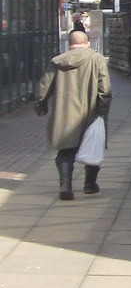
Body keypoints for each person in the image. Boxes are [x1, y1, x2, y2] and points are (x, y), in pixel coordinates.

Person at [35, 30, 111, 200]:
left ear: (70, 45)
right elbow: (104, 89)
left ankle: (65, 186)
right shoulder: (96, 59)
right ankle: (90, 186)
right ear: (88, 43)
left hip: (65, 114)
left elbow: (44, 86)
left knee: (66, 152)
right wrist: (102, 111)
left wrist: (41, 105)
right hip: (91, 113)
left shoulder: (57, 61)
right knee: (92, 149)